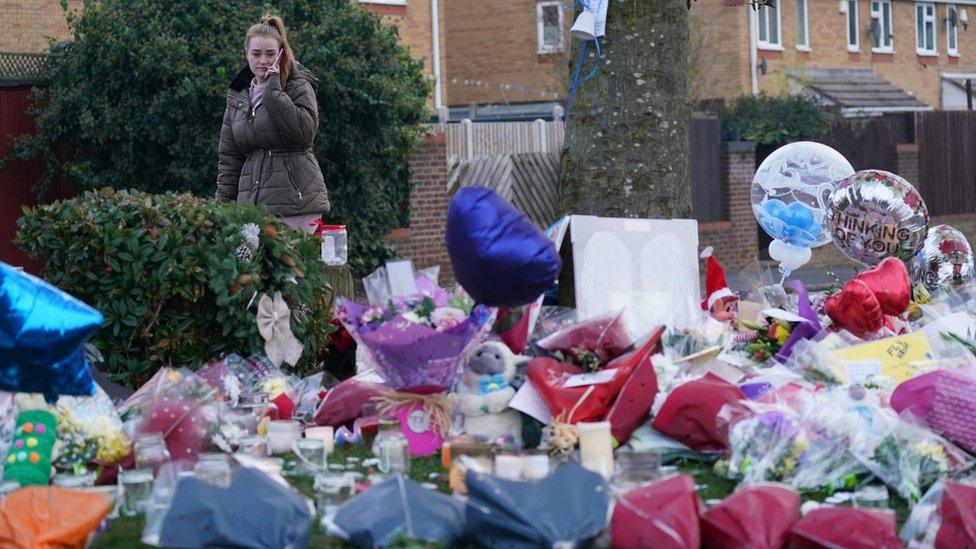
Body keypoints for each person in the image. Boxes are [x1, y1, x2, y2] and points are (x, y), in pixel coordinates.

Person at [216, 14, 329, 234]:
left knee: (296, 269)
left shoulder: (297, 85)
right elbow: (229, 159)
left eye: (270, 54)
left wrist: (273, 89)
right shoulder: (238, 97)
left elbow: (304, 134)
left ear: (280, 54)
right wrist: (223, 209)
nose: (263, 61)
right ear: (246, 53)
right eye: (256, 54)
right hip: (252, 208)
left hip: (297, 205)